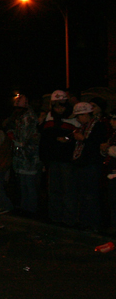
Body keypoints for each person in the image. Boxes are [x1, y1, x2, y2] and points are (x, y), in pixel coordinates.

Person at [39, 90, 78, 226]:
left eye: (61, 105)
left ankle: (69, 218)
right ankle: (55, 217)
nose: (58, 109)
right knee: (54, 189)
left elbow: (78, 137)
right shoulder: (49, 117)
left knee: (68, 190)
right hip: (53, 160)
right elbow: (44, 140)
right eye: (56, 106)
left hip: (67, 160)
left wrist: (67, 139)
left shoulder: (73, 118)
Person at [3, 95, 42, 216]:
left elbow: (25, 138)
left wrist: (14, 138)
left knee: (29, 184)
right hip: (21, 156)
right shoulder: (19, 117)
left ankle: (31, 209)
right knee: (23, 184)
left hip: (29, 156)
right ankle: (25, 207)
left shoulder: (29, 118)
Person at [71, 102, 106, 231]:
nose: (78, 119)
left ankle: (94, 223)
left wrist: (83, 140)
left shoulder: (98, 126)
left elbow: (97, 146)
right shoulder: (82, 127)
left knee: (91, 195)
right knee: (83, 195)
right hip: (81, 164)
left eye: (79, 116)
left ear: (86, 114)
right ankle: (84, 221)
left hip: (91, 165)